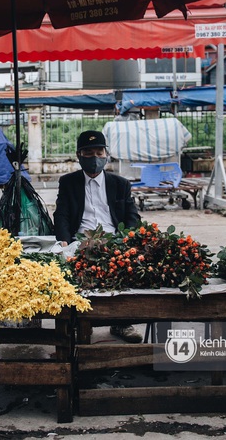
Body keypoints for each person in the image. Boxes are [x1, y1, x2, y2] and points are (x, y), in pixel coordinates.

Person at [54, 130, 143, 344]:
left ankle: (121, 323)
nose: (94, 157)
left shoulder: (120, 184)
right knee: (76, 277)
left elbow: (132, 216)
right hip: (80, 240)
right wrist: (65, 240)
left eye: (99, 151)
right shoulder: (68, 182)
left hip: (114, 240)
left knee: (125, 273)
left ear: (106, 154)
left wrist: (126, 239)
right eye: (88, 152)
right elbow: (61, 214)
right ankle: (81, 324)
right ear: (79, 155)